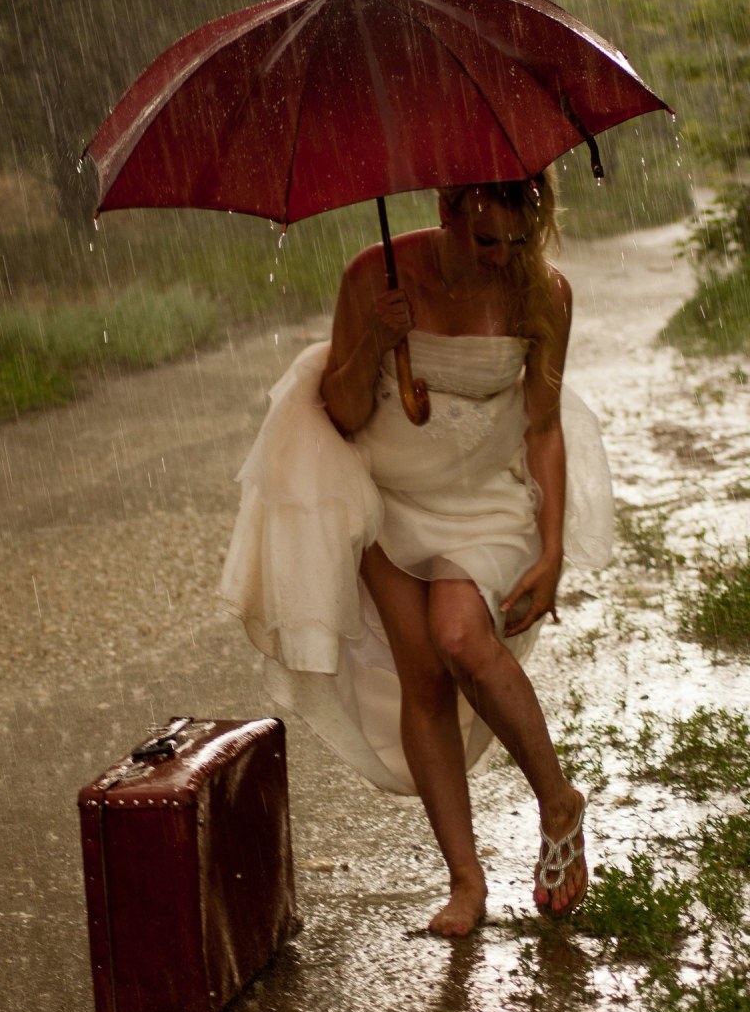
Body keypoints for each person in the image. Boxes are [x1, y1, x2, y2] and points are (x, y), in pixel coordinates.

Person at [219, 172, 613, 937]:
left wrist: (554, 546)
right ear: (446, 210)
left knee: (462, 635)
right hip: (386, 497)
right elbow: (340, 410)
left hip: (487, 500)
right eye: (486, 239)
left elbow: (542, 426)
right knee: (423, 675)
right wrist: (374, 337)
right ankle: (466, 883)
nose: (503, 257)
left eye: (518, 240)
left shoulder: (546, 295)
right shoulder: (375, 275)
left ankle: (557, 799)